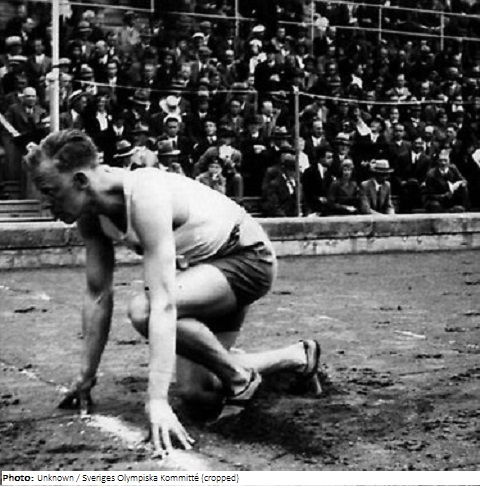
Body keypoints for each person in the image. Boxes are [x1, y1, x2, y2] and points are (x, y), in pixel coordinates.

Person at [25, 130, 322, 458]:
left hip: (247, 260)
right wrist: (86, 374)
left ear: (81, 181)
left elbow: (164, 302)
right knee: (198, 392)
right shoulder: (90, 216)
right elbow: (98, 293)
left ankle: (239, 379)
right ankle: (297, 356)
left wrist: (157, 401)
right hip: (201, 273)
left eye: (50, 191)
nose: (45, 204)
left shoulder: (144, 195)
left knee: (145, 309)